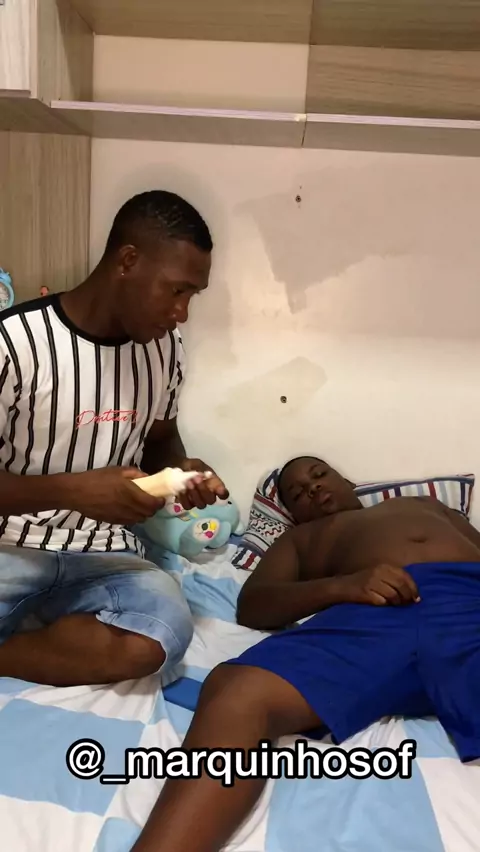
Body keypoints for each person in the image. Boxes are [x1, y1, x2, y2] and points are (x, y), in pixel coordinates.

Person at [131, 455, 480, 852]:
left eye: (319, 475)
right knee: (237, 690)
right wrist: (344, 586)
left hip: (468, 602)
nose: (313, 488)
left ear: (345, 479)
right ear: (293, 514)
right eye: (298, 494)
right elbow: (254, 606)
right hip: (366, 617)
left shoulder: (423, 505)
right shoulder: (302, 539)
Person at [0, 189, 228, 688]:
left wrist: (181, 474)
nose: (182, 312)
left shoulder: (165, 349)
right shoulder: (13, 344)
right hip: (11, 546)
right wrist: (72, 491)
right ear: (128, 261)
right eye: (176, 290)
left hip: (105, 555)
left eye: (191, 296)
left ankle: (18, 651)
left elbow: (161, 440)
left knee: (161, 635)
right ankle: (55, 641)